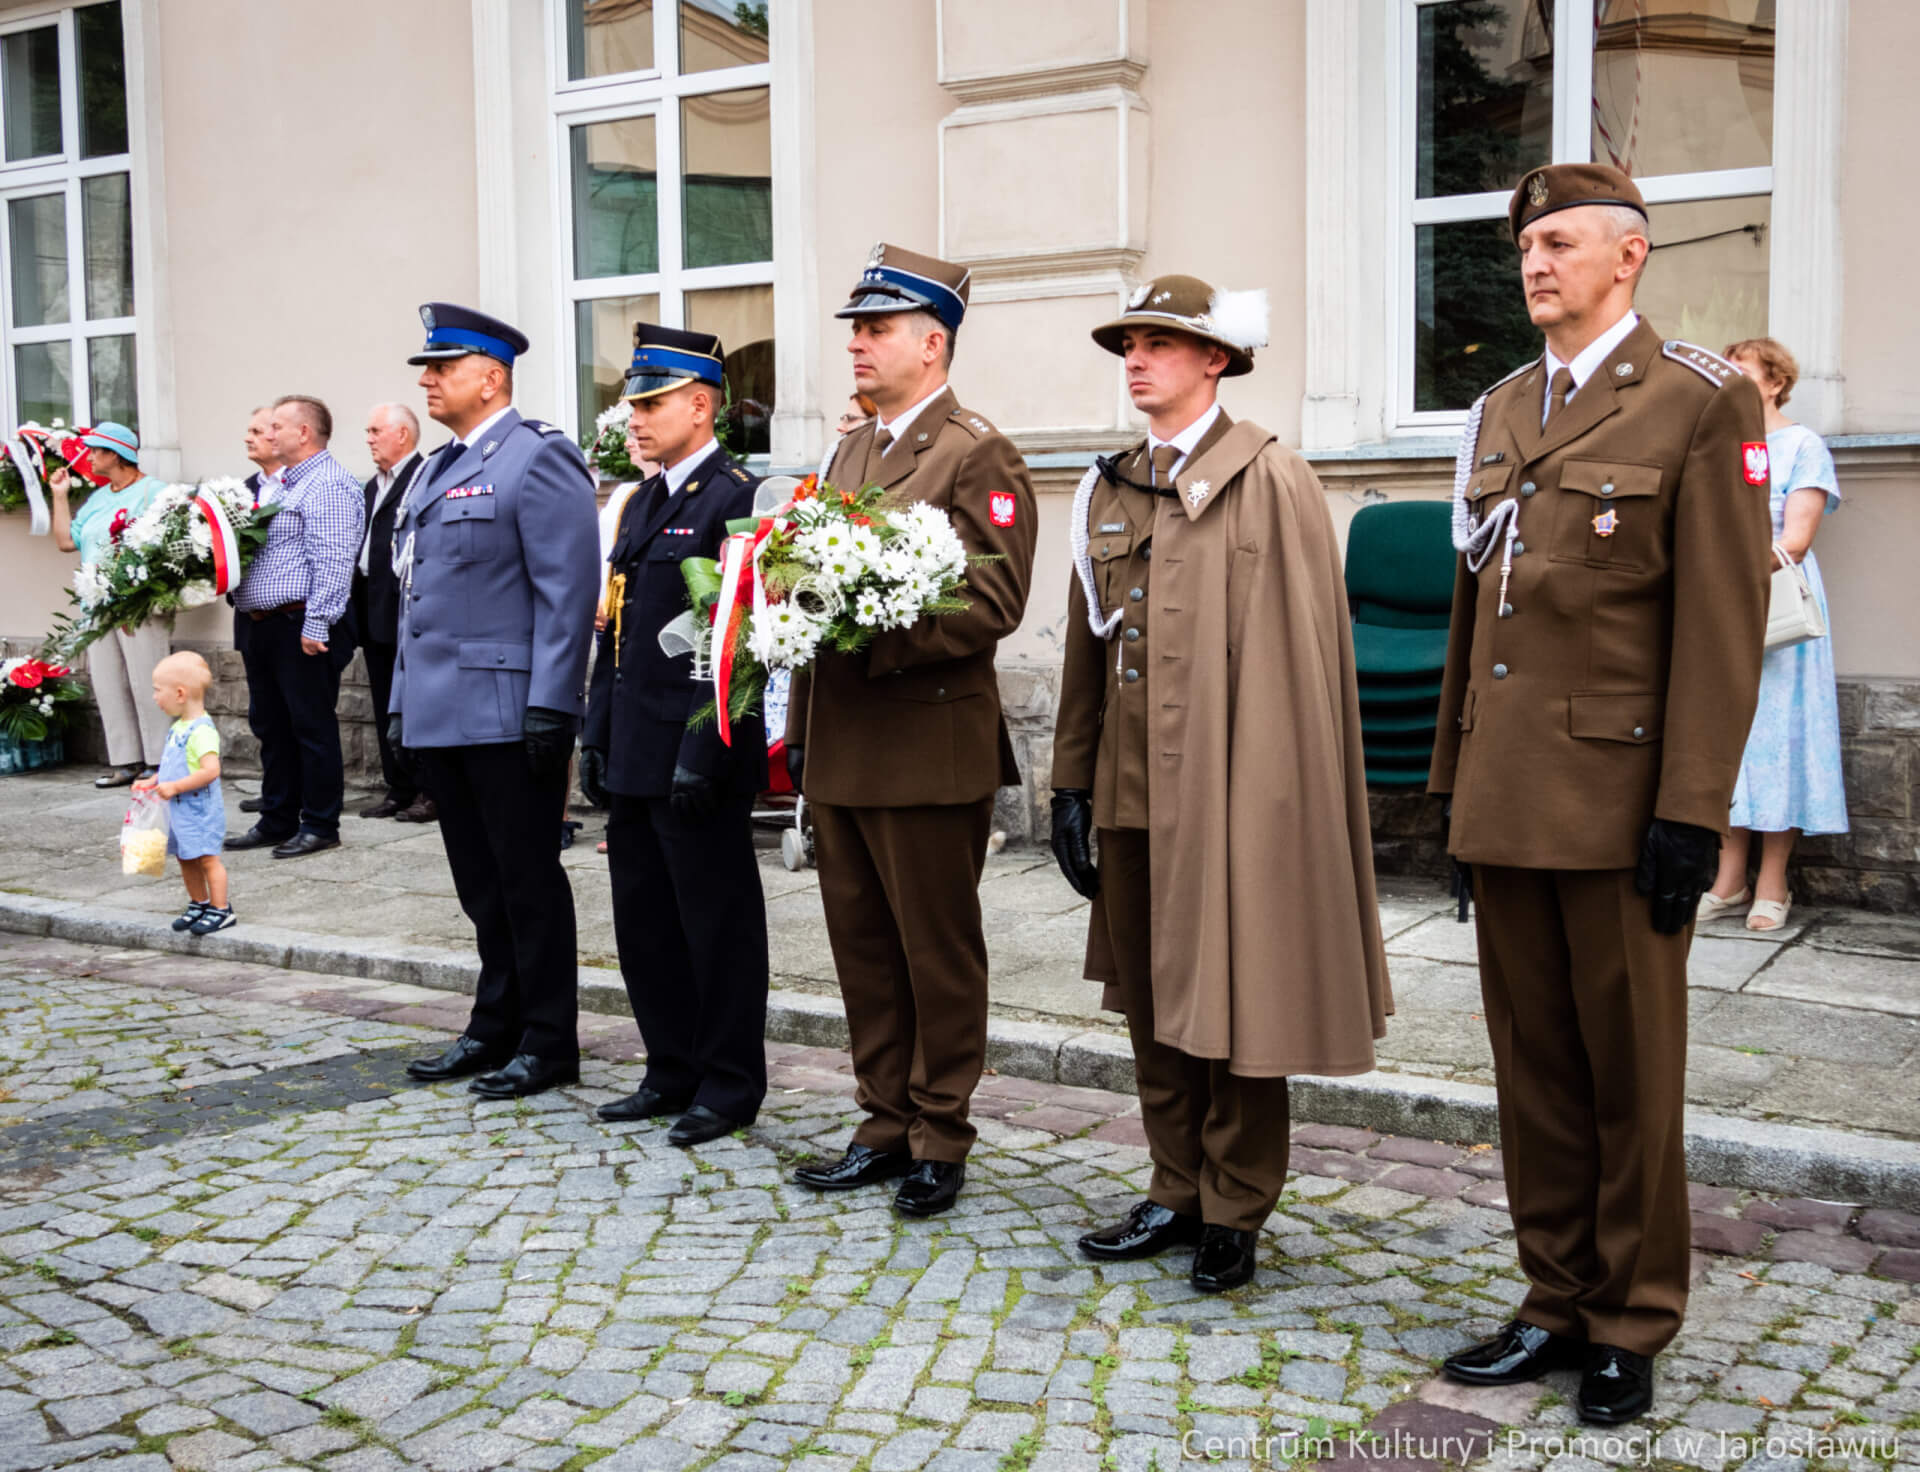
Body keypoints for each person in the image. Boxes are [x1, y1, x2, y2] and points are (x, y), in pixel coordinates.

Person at [1427, 164, 1771, 1425]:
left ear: (1628, 256)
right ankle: (1552, 1297)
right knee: (1535, 1071)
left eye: (1559, 241)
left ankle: (1630, 1318)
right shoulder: (1504, 405)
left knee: (1630, 1073)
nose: (1533, 262)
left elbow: (1723, 623)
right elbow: (1478, 614)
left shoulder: (1696, 397)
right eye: (1525, 243)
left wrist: (1692, 808)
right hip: (1510, 796)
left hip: (1624, 802)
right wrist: (1457, 790)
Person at [1049, 276, 1392, 1292]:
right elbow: (1086, 648)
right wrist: (1071, 783)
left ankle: (1236, 1201)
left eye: (1161, 342)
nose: (1138, 358)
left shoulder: (1270, 476)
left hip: (1236, 792)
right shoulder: (1107, 485)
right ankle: (1174, 1182)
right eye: (1130, 343)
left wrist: (1274, 807)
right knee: (1153, 997)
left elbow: (1299, 662)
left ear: (1216, 360)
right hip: (1132, 785)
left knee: (1236, 997)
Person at [785, 243, 1037, 1217]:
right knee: (862, 945)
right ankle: (880, 1115)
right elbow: (808, 582)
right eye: (856, 327)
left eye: (877, 326)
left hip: (928, 743)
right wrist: (805, 723)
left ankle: (940, 1129)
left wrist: (877, 617)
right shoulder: (852, 448)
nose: (859, 342)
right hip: (848, 740)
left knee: (934, 949)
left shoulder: (977, 450)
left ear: (932, 342)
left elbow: (996, 593)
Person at [392, 303, 599, 1101]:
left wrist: (555, 704)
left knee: (527, 882)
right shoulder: (438, 467)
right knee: (479, 886)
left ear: (491, 376)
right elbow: (420, 600)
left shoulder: (537, 458)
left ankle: (549, 1042)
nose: (428, 380)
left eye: (442, 367)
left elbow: (566, 591)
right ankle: (494, 1025)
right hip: (445, 712)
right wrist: (405, 705)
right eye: (428, 368)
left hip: (511, 714)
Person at [578, 324, 770, 1147]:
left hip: (698, 750)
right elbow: (615, 627)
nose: (634, 418)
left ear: (702, 404)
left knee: (714, 923)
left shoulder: (737, 497)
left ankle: (727, 1084)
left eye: (651, 403)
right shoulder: (644, 499)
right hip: (635, 748)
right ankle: (669, 1068)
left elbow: (744, 641)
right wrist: (597, 730)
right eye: (632, 404)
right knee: (645, 920)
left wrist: (707, 751)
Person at [1703, 337, 1848, 932]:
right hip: (1719, 606)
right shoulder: (1717, 446)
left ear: (1774, 382)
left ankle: (1773, 882)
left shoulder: (1803, 445)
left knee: (1779, 742)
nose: (1730, 381)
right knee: (1725, 743)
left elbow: (1795, 539)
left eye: (1742, 372)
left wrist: (1725, 561)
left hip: (1776, 606)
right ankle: (1729, 878)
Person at [226, 395, 365, 858]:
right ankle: (278, 817)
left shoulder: (327, 484)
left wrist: (318, 623)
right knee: (272, 727)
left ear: (303, 432)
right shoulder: (282, 484)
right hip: (265, 625)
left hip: (301, 624)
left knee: (311, 727)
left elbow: (334, 558)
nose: (269, 433)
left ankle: (321, 823)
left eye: (277, 426)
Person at [47, 424, 169, 787]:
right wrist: (59, 495)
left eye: (95, 451)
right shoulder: (98, 498)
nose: (89, 457)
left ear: (114, 454)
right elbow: (67, 542)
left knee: (149, 680)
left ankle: (160, 762)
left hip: (139, 606)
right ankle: (126, 760)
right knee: (109, 682)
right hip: (96, 605)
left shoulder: (155, 492)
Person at [349, 403, 431, 822]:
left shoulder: (423, 476)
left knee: (417, 703)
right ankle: (398, 786)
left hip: (406, 611)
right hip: (373, 610)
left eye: (376, 429)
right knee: (384, 702)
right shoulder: (372, 486)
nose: (368, 438)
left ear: (403, 435)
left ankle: (428, 790)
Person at [134, 651, 231, 935]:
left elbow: (210, 770)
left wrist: (175, 786)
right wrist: (154, 781)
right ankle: (198, 902)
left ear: (179, 693)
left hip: (198, 810)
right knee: (185, 857)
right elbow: (173, 766)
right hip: (177, 809)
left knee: (207, 859)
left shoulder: (201, 731)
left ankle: (221, 908)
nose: (154, 697)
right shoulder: (178, 728)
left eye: (157, 690)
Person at [235, 407, 283, 816]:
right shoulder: (243, 489)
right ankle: (277, 796)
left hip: (292, 619)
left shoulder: (299, 486)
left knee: (301, 722)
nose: (248, 438)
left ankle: (311, 808)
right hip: (252, 619)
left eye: (256, 431)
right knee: (265, 720)